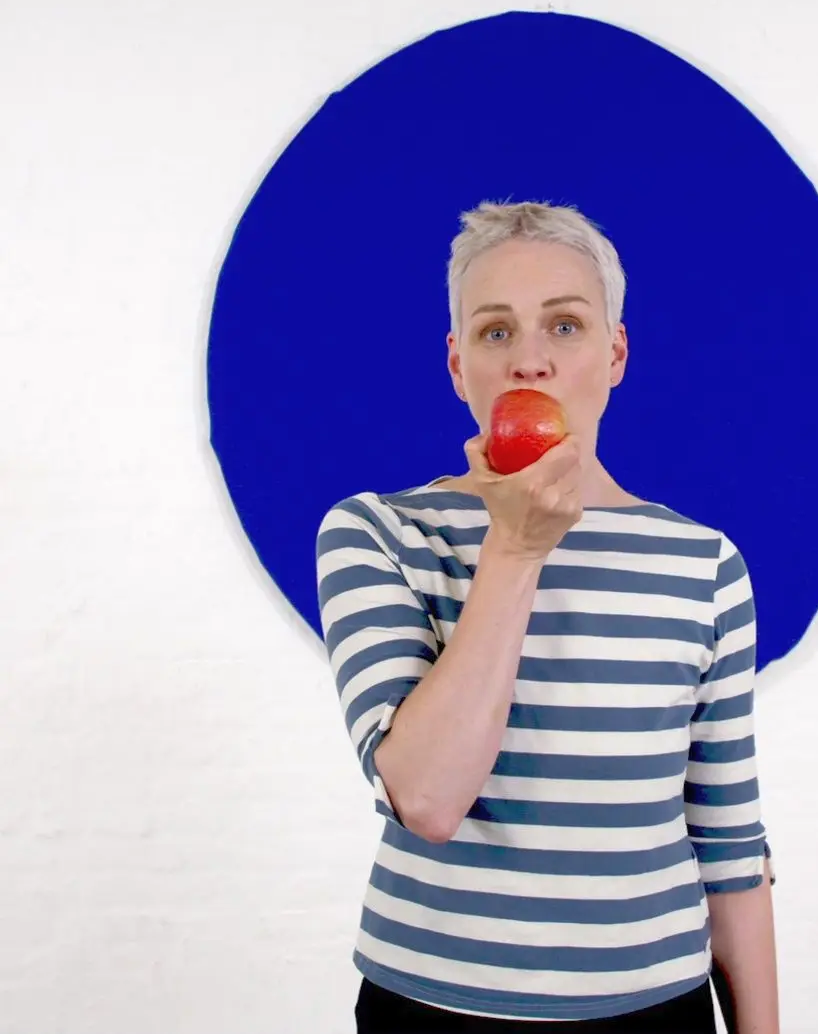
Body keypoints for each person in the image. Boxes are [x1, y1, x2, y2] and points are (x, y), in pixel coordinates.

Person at [316, 200, 779, 1032]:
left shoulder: (705, 564)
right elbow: (426, 798)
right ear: (458, 366)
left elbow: (730, 843)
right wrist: (516, 548)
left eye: (565, 326)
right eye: (495, 331)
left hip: (655, 1009)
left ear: (616, 353)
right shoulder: (379, 533)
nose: (529, 361)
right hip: (430, 1006)